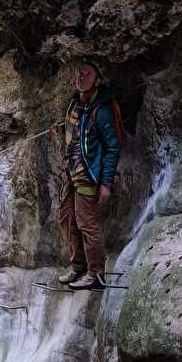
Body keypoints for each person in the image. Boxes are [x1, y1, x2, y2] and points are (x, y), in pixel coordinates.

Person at [59, 60, 121, 290]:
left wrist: (106, 183)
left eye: (86, 74)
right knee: (67, 218)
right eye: (78, 73)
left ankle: (95, 273)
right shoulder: (76, 105)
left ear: (97, 80)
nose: (80, 77)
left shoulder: (101, 111)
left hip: (89, 176)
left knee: (87, 223)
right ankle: (78, 266)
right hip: (72, 174)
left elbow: (113, 147)